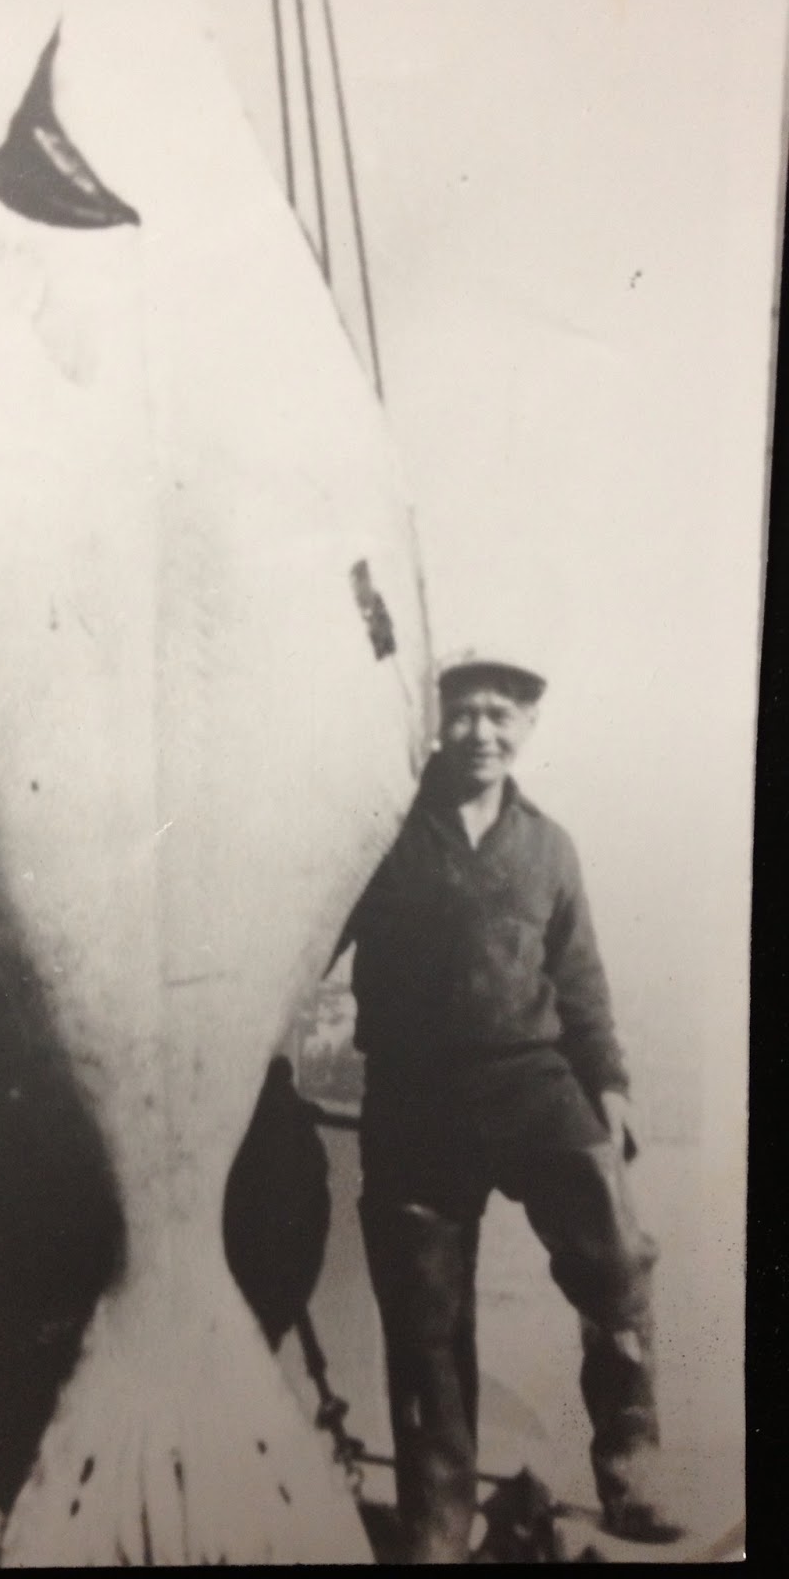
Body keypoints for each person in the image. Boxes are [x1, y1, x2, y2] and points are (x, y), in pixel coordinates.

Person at [339, 648, 682, 1562]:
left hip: (532, 1083)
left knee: (617, 1260)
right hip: (414, 1101)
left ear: (529, 725)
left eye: (502, 715)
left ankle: (632, 1469)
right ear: (433, 720)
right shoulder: (375, 834)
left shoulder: (548, 845)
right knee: (425, 1321)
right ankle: (437, 1521)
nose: (482, 733)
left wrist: (609, 1085)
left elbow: (580, 979)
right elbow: (305, 955)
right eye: (463, 713)